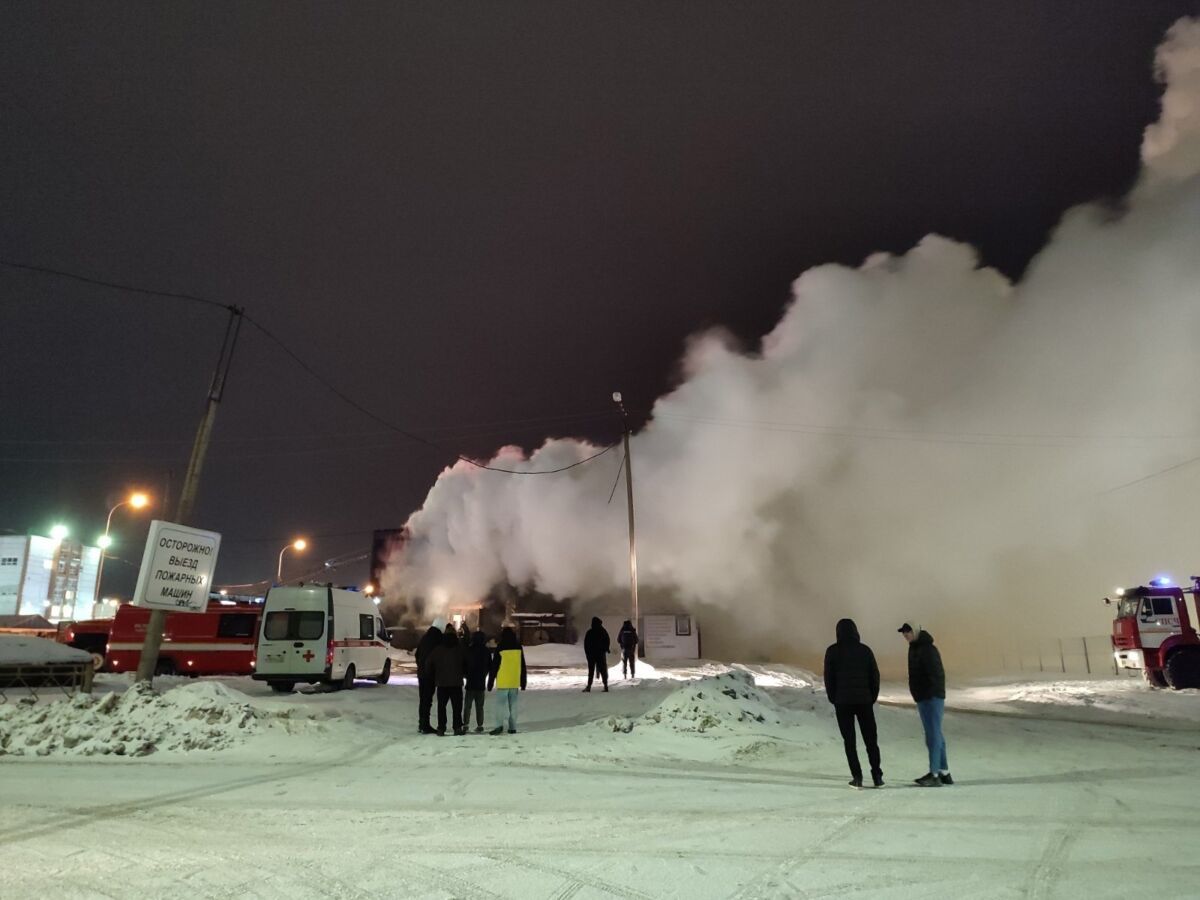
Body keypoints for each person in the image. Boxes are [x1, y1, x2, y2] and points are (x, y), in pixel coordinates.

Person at [823, 618, 883, 789]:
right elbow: (875, 676)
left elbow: (829, 677)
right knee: (871, 739)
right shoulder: (865, 651)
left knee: (849, 741)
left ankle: (857, 777)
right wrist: (872, 697)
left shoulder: (832, 651)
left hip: (843, 703)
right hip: (864, 702)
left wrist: (833, 697)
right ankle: (877, 775)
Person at [899, 623, 952, 786]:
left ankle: (934, 774)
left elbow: (936, 674)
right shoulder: (914, 648)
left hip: (931, 697)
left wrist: (929, 693)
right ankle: (944, 772)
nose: (905, 635)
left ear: (915, 631)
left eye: (908, 632)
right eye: (903, 633)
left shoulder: (928, 649)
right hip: (923, 696)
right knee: (936, 734)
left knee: (933, 735)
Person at [487, 626, 526, 734]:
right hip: (514, 681)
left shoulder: (501, 646)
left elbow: (495, 666)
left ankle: (499, 725)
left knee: (500, 705)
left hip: (503, 680)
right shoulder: (518, 647)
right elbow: (522, 665)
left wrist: (490, 682)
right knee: (513, 704)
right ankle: (512, 727)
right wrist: (523, 682)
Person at [427, 627, 466, 736]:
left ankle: (441, 728)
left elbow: (428, 663)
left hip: (441, 683)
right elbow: (467, 662)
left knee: (441, 707)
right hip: (456, 682)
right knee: (457, 707)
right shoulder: (460, 649)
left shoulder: (438, 649)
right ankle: (457, 727)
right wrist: (463, 674)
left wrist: (433, 675)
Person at [414, 617, 445, 734]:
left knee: (423, 700)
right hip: (430, 675)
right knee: (428, 700)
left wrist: (420, 666)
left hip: (421, 674)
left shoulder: (425, 637)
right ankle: (425, 725)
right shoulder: (438, 639)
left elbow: (417, 654)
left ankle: (422, 723)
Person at [464, 629, 491, 733]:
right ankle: (480, 725)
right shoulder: (486, 651)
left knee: (467, 706)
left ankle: (465, 724)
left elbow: (464, 665)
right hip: (480, 683)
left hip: (470, 682)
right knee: (480, 706)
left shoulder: (469, 650)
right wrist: (484, 674)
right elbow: (489, 666)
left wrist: (466, 675)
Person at [582, 616, 610, 692]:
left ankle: (589, 687)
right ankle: (606, 686)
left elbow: (586, 644)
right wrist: (606, 649)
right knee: (603, 670)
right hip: (600, 654)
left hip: (591, 654)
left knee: (591, 670)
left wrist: (587, 653)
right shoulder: (603, 631)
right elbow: (607, 640)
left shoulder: (590, 632)